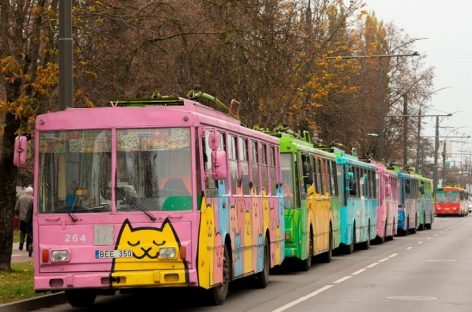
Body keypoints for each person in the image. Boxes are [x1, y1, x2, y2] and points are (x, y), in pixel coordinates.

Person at [15, 186, 33, 251]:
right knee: (29, 232)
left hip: (22, 218)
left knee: (22, 231)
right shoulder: (33, 199)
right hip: (29, 218)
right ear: (31, 192)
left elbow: (16, 208)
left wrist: (18, 215)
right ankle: (28, 247)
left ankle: (21, 244)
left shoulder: (20, 198)